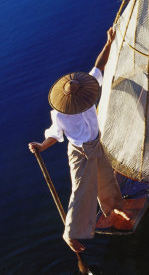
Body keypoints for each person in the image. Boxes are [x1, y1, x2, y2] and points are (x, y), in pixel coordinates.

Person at [28, 27, 129, 253]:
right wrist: (42, 146)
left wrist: (109, 42)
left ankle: (113, 208)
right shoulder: (60, 114)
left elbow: (99, 66)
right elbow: (56, 133)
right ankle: (69, 234)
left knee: (106, 179)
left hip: (96, 144)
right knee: (81, 191)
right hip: (80, 152)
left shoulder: (88, 89)